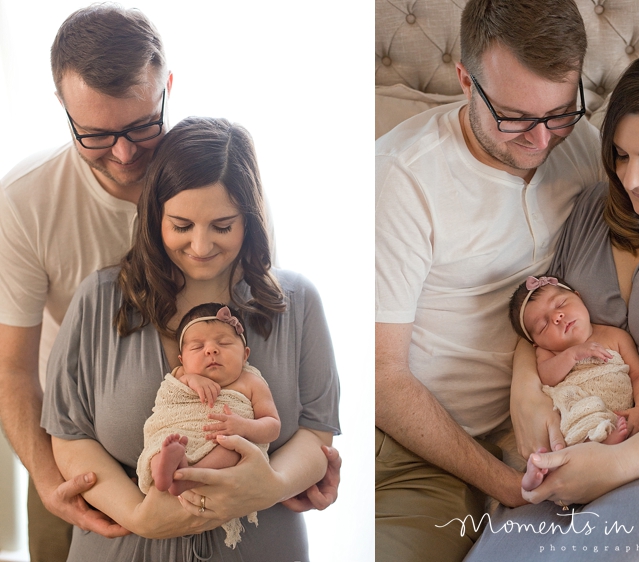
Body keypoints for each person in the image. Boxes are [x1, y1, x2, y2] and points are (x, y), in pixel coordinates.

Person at [0, 5, 338, 561]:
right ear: (63, 108)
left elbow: (274, 328)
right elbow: (13, 370)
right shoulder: (27, 205)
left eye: (140, 126)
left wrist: (292, 471)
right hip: (74, 441)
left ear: (165, 89)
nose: (126, 153)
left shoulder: (215, 174)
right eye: (97, 134)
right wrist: (48, 477)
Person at [466, 44, 639, 561]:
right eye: (620, 154)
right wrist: (525, 389)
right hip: (585, 433)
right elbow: (542, 311)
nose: (630, 178)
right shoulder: (596, 208)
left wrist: (618, 465)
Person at [375, 0, 604, 559]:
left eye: (557, 112)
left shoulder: (580, 143)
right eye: (514, 116)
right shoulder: (400, 179)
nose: (540, 140)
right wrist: (514, 487)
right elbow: (382, 379)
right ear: (464, 81)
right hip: (419, 447)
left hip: (561, 415)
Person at [138, 303, 281, 550]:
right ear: (182, 359)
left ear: (245, 354)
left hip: (222, 442)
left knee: (233, 449)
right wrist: (190, 378)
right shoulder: (182, 376)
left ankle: (185, 476)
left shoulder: (251, 382)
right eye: (198, 347)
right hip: (183, 431)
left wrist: (243, 427)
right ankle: (166, 467)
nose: (212, 350)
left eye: (224, 344)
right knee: (160, 442)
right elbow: (166, 407)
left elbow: (272, 425)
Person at [507, 275, 639, 490]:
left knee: (596, 410)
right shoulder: (549, 352)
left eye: (560, 304)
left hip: (614, 411)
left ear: (578, 297)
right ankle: (538, 471)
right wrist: (571, 356)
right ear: (536, 343)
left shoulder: (616, 336)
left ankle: (554, 466)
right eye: (543, 324)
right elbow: (546, 378)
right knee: (576, 411)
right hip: (575, 410)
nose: (557, 317)